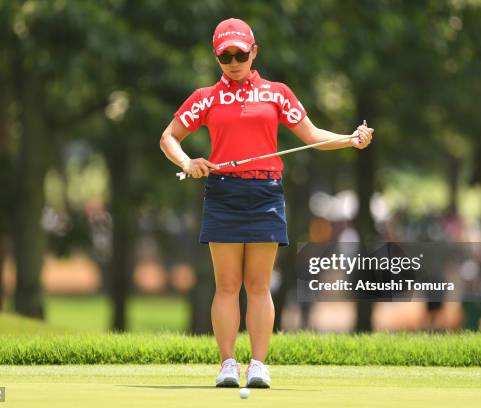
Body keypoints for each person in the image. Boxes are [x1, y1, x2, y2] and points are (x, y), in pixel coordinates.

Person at [160, 17, 374, 388]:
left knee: (258, 285)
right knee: (227, 285)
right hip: (223, 192)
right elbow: (169, 137)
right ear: (217, 57)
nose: (233, 61)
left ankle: (258, 364)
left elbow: (311, 135)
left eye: (239, 54)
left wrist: (349, 139)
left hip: (265, 193)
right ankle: (228, 364)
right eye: (225, 56)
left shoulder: (276, 93)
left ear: (253, 52)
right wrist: (188, 162)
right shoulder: (205, 98)